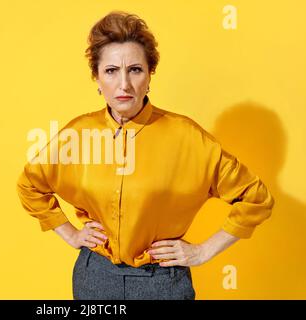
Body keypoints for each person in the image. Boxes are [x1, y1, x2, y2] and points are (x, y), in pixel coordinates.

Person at [16, 10, 275, 300]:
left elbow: (256, 198)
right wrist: (70, 233)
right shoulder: (77, 133)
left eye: (135, 70)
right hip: (95, 278)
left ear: (150, 75)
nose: (124, 84)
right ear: (97, 79)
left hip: (163, 282)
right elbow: (30, 184)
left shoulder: (187, 137)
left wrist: (203, 250)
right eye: (111, 71)